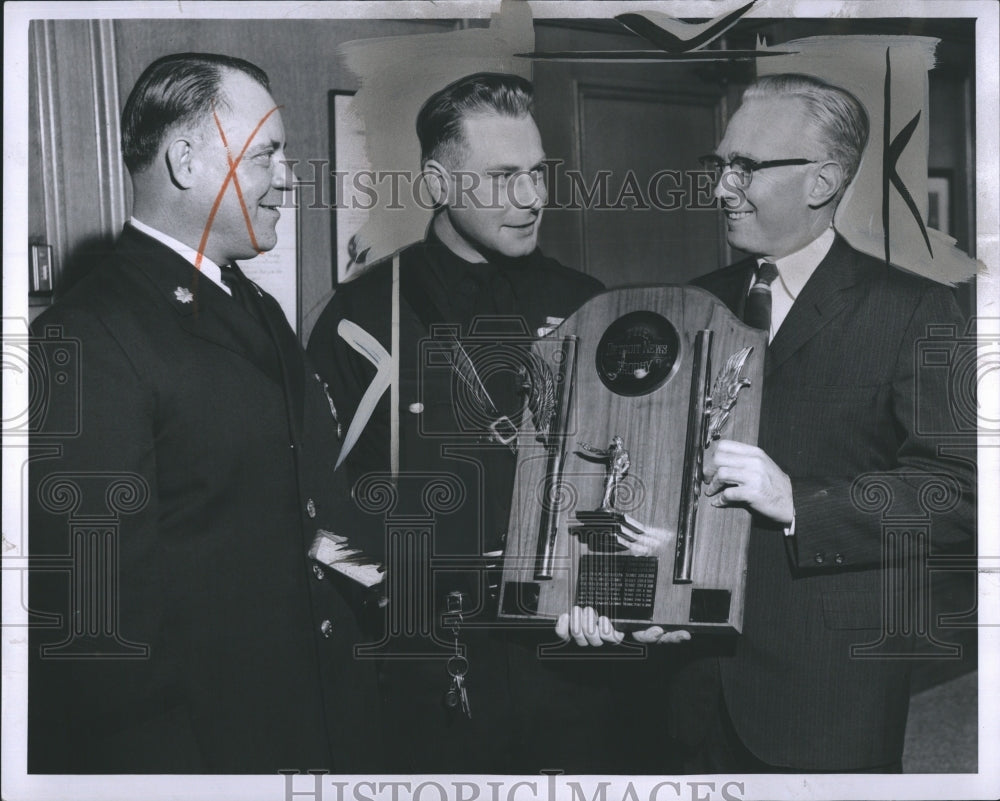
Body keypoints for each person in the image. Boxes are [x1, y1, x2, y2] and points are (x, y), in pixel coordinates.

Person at [594, 72, 974, 773]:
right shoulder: (692, 305)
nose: (720, 187)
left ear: (823, 180)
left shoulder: (916, 311)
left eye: (745, 166)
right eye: (720, 164)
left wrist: (800, 504)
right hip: (687, 684)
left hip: (826, 692)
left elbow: (958, 494)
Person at [28, 53, 379, 773]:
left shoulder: (257, 308)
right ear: (186, 161)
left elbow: (311, 506)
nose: (288, 177)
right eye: (268, 155)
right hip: (208, 751)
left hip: (315, 721)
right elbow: (102, 626)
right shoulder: (88, 332)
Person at [308, 72, 664, 773]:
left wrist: (607, 588)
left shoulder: (587, 304)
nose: (532, 198)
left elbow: (634, 472)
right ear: (439, 183)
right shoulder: (361, 318)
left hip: (576, 661)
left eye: (537, 173)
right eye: (503, 178)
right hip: (433, 669)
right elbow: (321, 506)